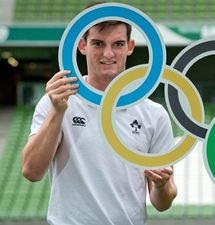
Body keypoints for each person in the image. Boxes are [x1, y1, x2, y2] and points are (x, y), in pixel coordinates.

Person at [20, 18, 177, 225]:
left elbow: (162, 203)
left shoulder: (153, 113)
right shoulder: (57, 101)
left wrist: (161, 186)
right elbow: (31, 171)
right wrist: (57, 112)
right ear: (82, 45)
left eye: (118, 44)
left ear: (130, 47)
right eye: (98, 43)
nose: (108, 54)